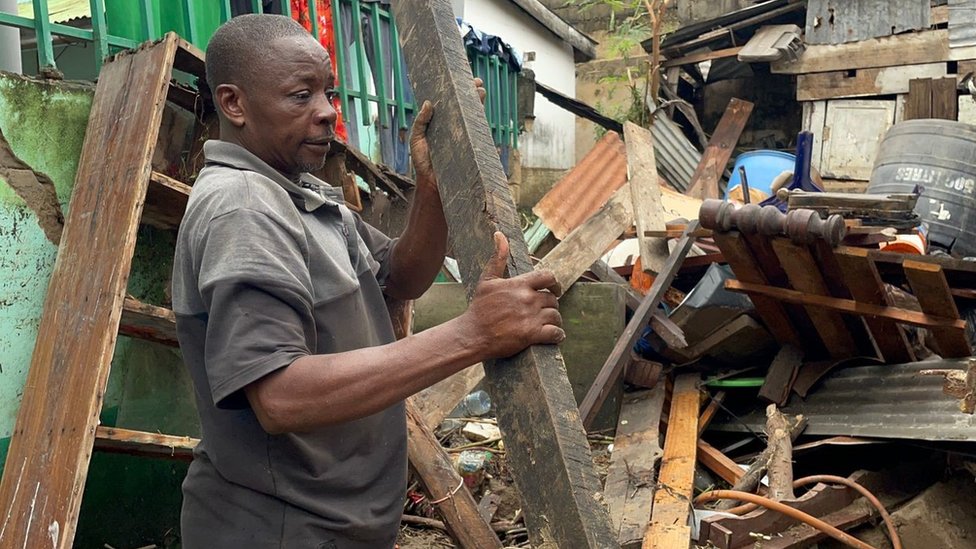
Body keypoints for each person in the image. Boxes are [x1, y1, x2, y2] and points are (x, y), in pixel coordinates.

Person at [172, 14, 564, 549]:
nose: (327, 112)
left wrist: (431, 186)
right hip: (281, 529)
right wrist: (473, 335)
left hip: (335, 521)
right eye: (300, 96)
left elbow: (402, 277)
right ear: (234, 104)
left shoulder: (299, 192)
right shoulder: (244, 208)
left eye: (328, 93)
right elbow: (280, 396)